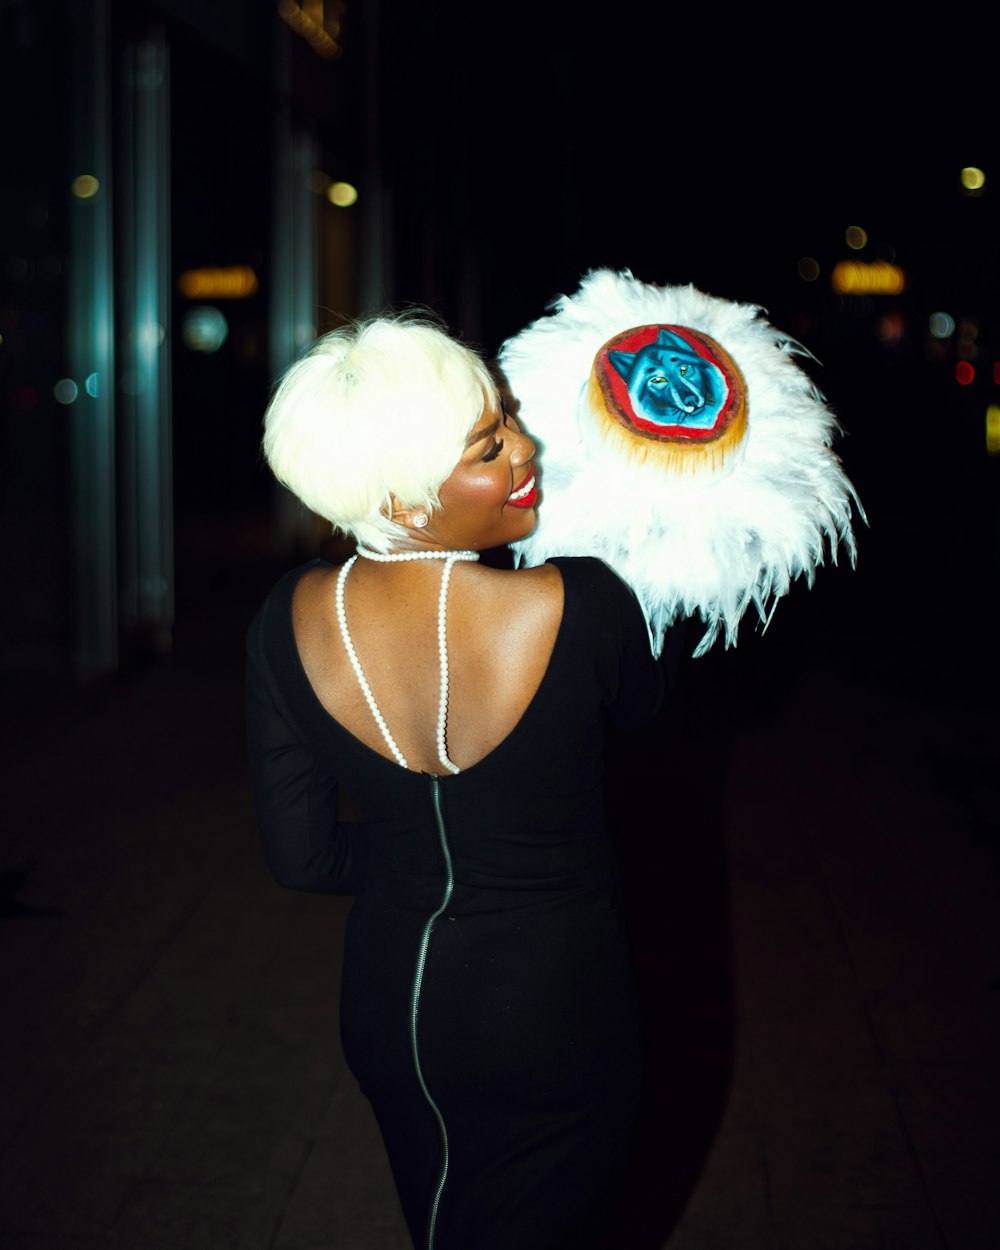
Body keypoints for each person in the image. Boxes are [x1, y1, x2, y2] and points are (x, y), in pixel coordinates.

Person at [246, 315, 665, 1250]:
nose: (527, 449)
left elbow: (304, 858)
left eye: (509, 417)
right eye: (489, 444)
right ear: (400, 493)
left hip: (393, 1006)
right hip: (557, 1004)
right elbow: (642, 727)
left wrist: (422, 857)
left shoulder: (291, 616)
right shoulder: (582, 601)